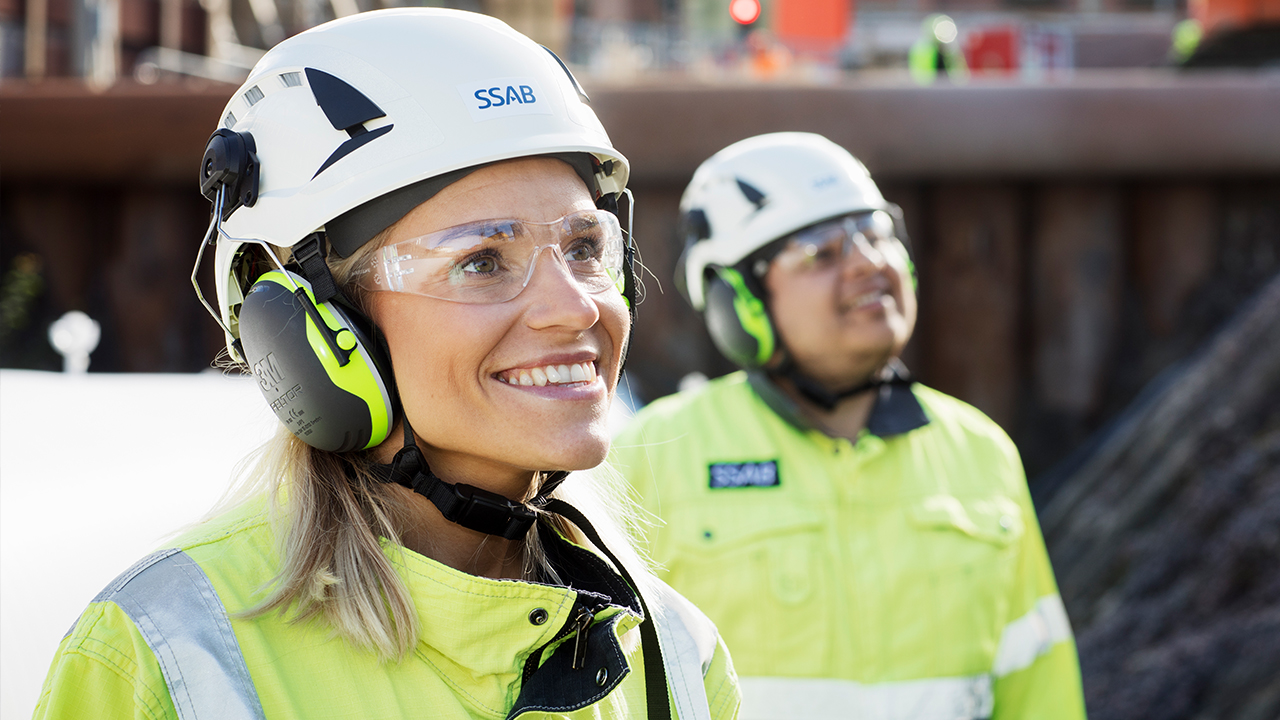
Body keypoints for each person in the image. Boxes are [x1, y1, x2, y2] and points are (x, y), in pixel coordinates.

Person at [33, 10, 740, 720]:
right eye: (481, 261)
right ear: (311, 328)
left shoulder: (676, 655)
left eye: (586, 248)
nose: (577, 308)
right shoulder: (165, 656)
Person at [611, 132, 1085, 719]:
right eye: (821, 251)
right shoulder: (651, 457)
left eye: (877, 235)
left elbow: (1038, 681)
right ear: (741, 302)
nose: (870, 263)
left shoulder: (980, 452)